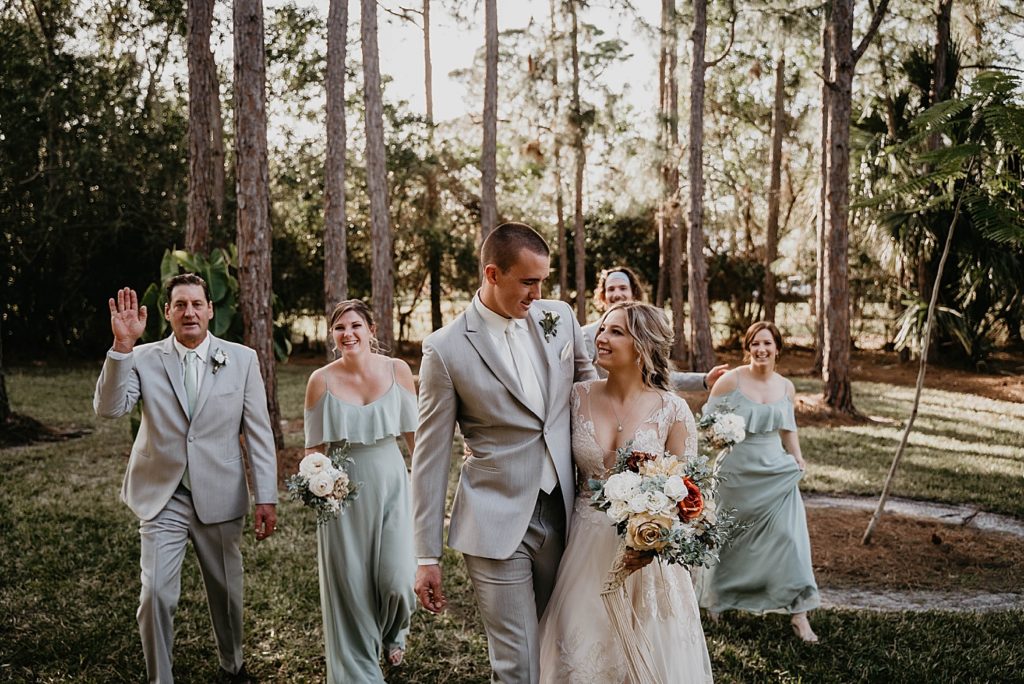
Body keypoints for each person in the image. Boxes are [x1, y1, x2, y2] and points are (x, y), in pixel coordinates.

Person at [412, 222, 597, 683]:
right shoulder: (445, 349)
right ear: (493, 274)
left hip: (566, 513)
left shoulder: (559, 318)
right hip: (494, 521)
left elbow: (596, 393)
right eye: (528, 282)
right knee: (516, 663)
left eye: (543, 281)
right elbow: (430, 458)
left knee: (561, 645)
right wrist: (426, 556)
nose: (538, 293)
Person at [93, 274, 277, 684]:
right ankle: (161, 679)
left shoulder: (243, 359)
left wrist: (267, 496)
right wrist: (122, 347)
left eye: (197, 304)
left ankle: (233, 667)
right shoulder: (142, 357)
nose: (189, 312)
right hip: (164, 494)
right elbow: (109, 410)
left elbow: (259, 432)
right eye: (180, 305)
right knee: (155, 594)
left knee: (227, 595)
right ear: (166, 313)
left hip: (221, 494)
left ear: (211, 309)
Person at [538, 301, 714, 683]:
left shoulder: (673, 410)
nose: (601, 337)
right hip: (585, 548)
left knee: (648, 654)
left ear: (643, 345)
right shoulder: (576, 396)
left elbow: (689, 496)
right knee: (578, 646)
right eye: (602, 329)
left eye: (615, 331)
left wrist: (655, 536)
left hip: (649, 558)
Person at [302, 299, 417, 682]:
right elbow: (313, 448)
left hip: (392, 482)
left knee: (398, 579)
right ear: (332, 335)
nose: (347, 334)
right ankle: (360, 669)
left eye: (355, 325)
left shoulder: (398, 370)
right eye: (339, 328)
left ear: (371, 329)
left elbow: (416, 438)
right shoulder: (320, 380)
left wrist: (427, 488)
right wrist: (317, 483)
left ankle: (393, 631)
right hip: (341, 492)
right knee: (351, 586)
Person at [695, 321, 820, 643]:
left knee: (790, 540)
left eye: (767, 343)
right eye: (755, 344)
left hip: (775, 471)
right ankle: (716, 603)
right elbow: (707, 423)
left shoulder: (787, 386)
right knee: (727, 540)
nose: (761, 350)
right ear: (747, 349)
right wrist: (719, 435)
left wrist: (797, 456)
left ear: (778, 348)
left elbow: (788, 427)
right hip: (736, 472)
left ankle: (799, 614)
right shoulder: (729, 381)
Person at [582, 265, 728, 391]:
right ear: (603, 295)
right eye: (611, 289)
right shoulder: (587, 335)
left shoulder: (644, 332)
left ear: (633, 293)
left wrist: (703, 380)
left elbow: (657, 373)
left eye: (623, 288)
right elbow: (583, 381)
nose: (617, 294)